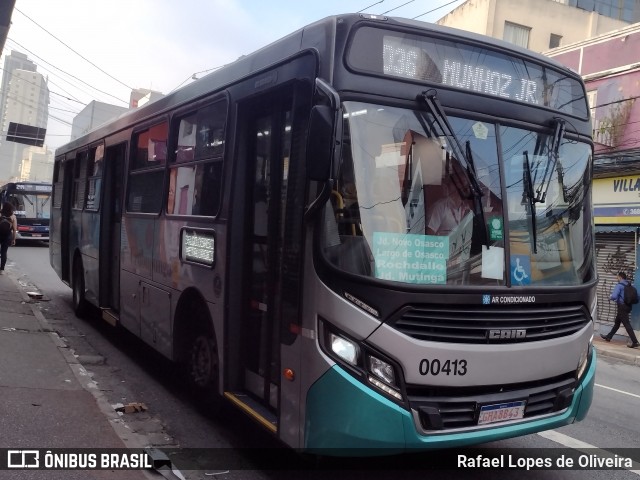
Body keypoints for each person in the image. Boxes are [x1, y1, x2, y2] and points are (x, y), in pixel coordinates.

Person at [600, 271, 640, 348]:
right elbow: (637, 297)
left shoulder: (619, 285)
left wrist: (610, 297)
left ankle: (635, 342)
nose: (616, 278)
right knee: (617, 323)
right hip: (628, 307)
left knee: (627, 324)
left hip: (622, 307)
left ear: (620, 277)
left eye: (617, 277)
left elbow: (614, 296)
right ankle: (609, 337)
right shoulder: (630, 286)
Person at [0, 202, 17, 274]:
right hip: (7, 236)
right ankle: (2, 270)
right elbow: (14, 229)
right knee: (4, 252)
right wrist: (13, 239)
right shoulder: (13, 217)